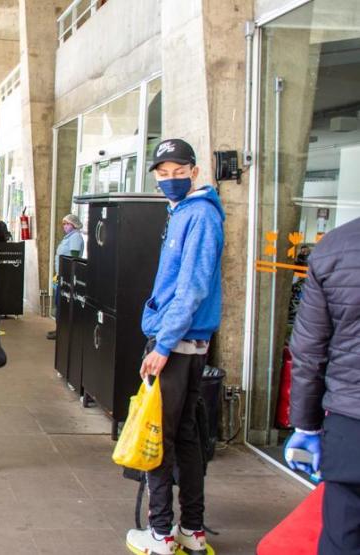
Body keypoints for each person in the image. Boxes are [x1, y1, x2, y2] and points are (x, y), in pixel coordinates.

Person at [127, 138, 225, 555]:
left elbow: (191, 288)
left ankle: (162, 533)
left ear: (195, 172)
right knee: (184, 437)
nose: (169, 179)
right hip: (183, 342)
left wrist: (163, 344)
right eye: (162, 174)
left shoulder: (199, 215)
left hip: (176, 342)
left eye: (178, 172)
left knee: (159, 439)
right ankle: (193, 531)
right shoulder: (186, 212)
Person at [285, 217, 360, 555]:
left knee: (343, 538)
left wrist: (307, 424)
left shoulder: (335, 246)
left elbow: (309, 350)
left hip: (350, 427)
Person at [46, 213, 85, 340]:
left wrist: (65, 274)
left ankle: (62, 331)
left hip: (68, 276)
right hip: (62, 274)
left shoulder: (75, 237)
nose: (65, 226)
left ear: (73, 225)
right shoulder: (68, 237)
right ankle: (59, 329)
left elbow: (73, 258)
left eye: (67, 223)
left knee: (62, 304)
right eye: (64, 224)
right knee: (59, 303)